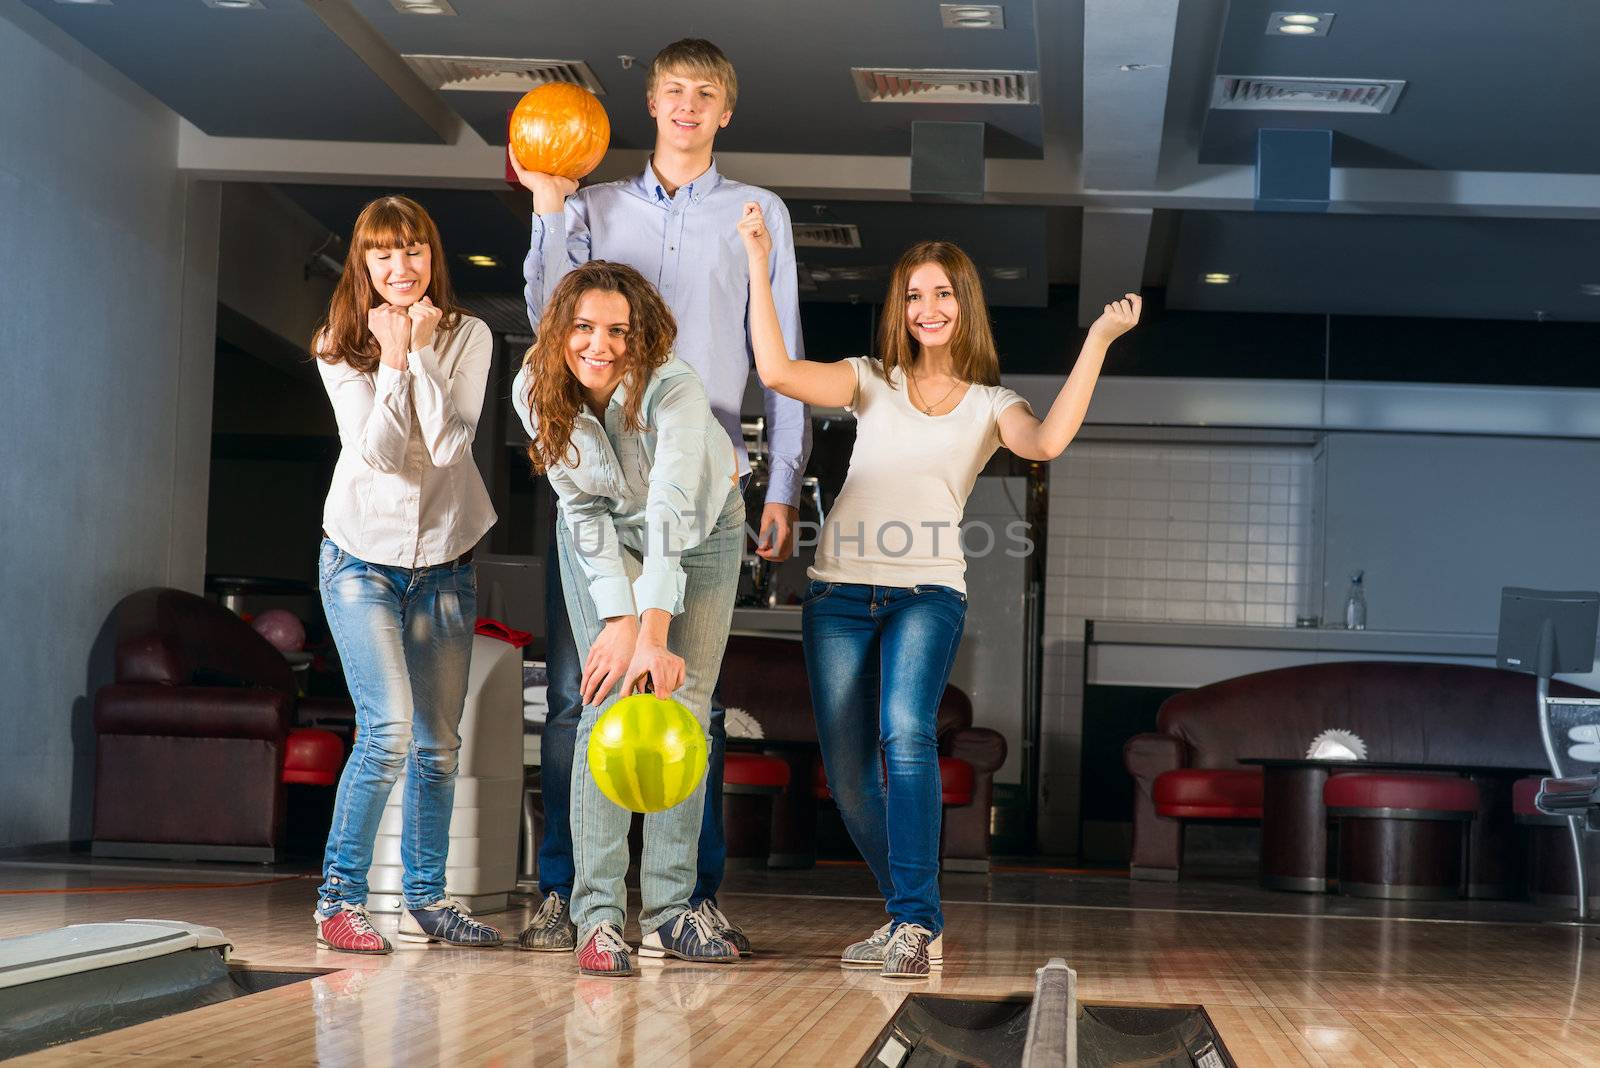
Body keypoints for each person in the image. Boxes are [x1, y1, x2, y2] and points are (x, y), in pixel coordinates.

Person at [739, 205, 1142, 978]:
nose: (929, 308)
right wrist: (759, 260)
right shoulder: (870, 380)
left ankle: (916, 923)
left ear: (965, 306)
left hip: (928, 590)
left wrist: (1095, 341)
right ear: (901, 309)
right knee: (850, 773)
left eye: (944, 294)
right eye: (915, 295)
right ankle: (910, 919)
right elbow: (779, 373)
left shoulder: (993, 405)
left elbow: (1049, 441)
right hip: (838, 596)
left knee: (906, 732)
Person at [511, 37, 808, 955]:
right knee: (582, 696)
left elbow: (781, 351)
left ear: (726, 111)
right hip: (603, 470)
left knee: (688, 696)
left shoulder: (758, 212)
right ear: (649, 103)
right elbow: (549, 320)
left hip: (705, 473)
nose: (687, 104)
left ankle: (685, 901)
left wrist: (783, 482)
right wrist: (548, 208)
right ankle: (573, 897)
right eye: (673, 89)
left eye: (705, 93)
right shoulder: (590, 205)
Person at [512, 260, 746, 978]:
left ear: (641, 335)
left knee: (681, 702)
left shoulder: (675, 389)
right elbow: (579, 507)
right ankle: (599, 916)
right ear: (560, 330)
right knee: (602, 698)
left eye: (618, 330)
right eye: (583, 327)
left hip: (702, 532)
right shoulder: (536, 389)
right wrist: (618, 617)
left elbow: (674, 511)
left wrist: (652, 633)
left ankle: (674, 911)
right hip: (599, 534)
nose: (599, 345)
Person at [310, 195, 503, 953]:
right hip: (360, 558)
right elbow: (383, 455)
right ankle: (338, 901)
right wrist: (392, 357)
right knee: (387, 732)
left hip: (446, 563)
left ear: (433, 258)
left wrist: (421, 350)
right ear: (363, 263)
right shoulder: (336, 342)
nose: (401, 267)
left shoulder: (471, 335)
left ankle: (427, 897)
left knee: (438, 745)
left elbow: (452, 446)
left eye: (414, 250)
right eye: (384, 253)